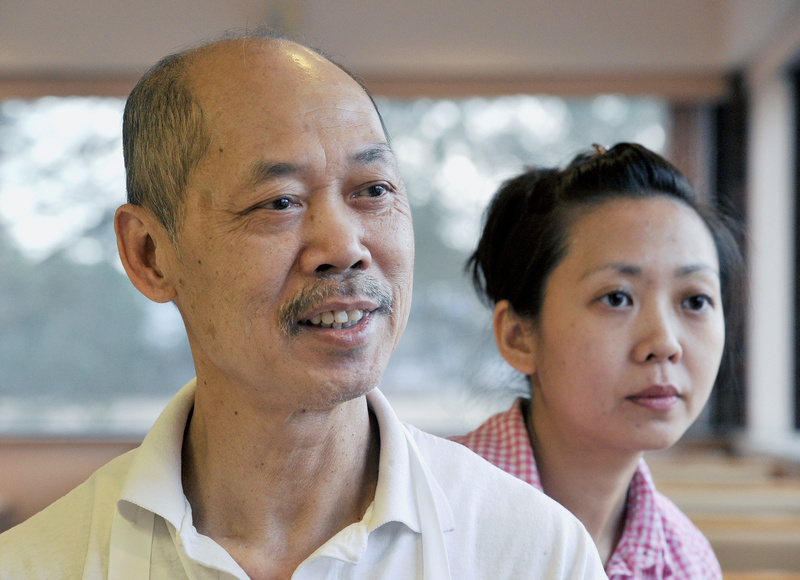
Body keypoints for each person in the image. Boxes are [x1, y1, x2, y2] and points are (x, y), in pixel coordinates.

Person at [0, 28, 607, 579]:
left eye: (373, 190)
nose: (344, 246)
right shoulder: (41, 564)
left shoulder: (531, 554)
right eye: (279, 202)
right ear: (151, 254)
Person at [453, 143, 745, 579]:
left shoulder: (685, 561)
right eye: (616, 297)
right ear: (518, 336)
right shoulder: (430, 512)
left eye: (695, 300)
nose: (664, 342)